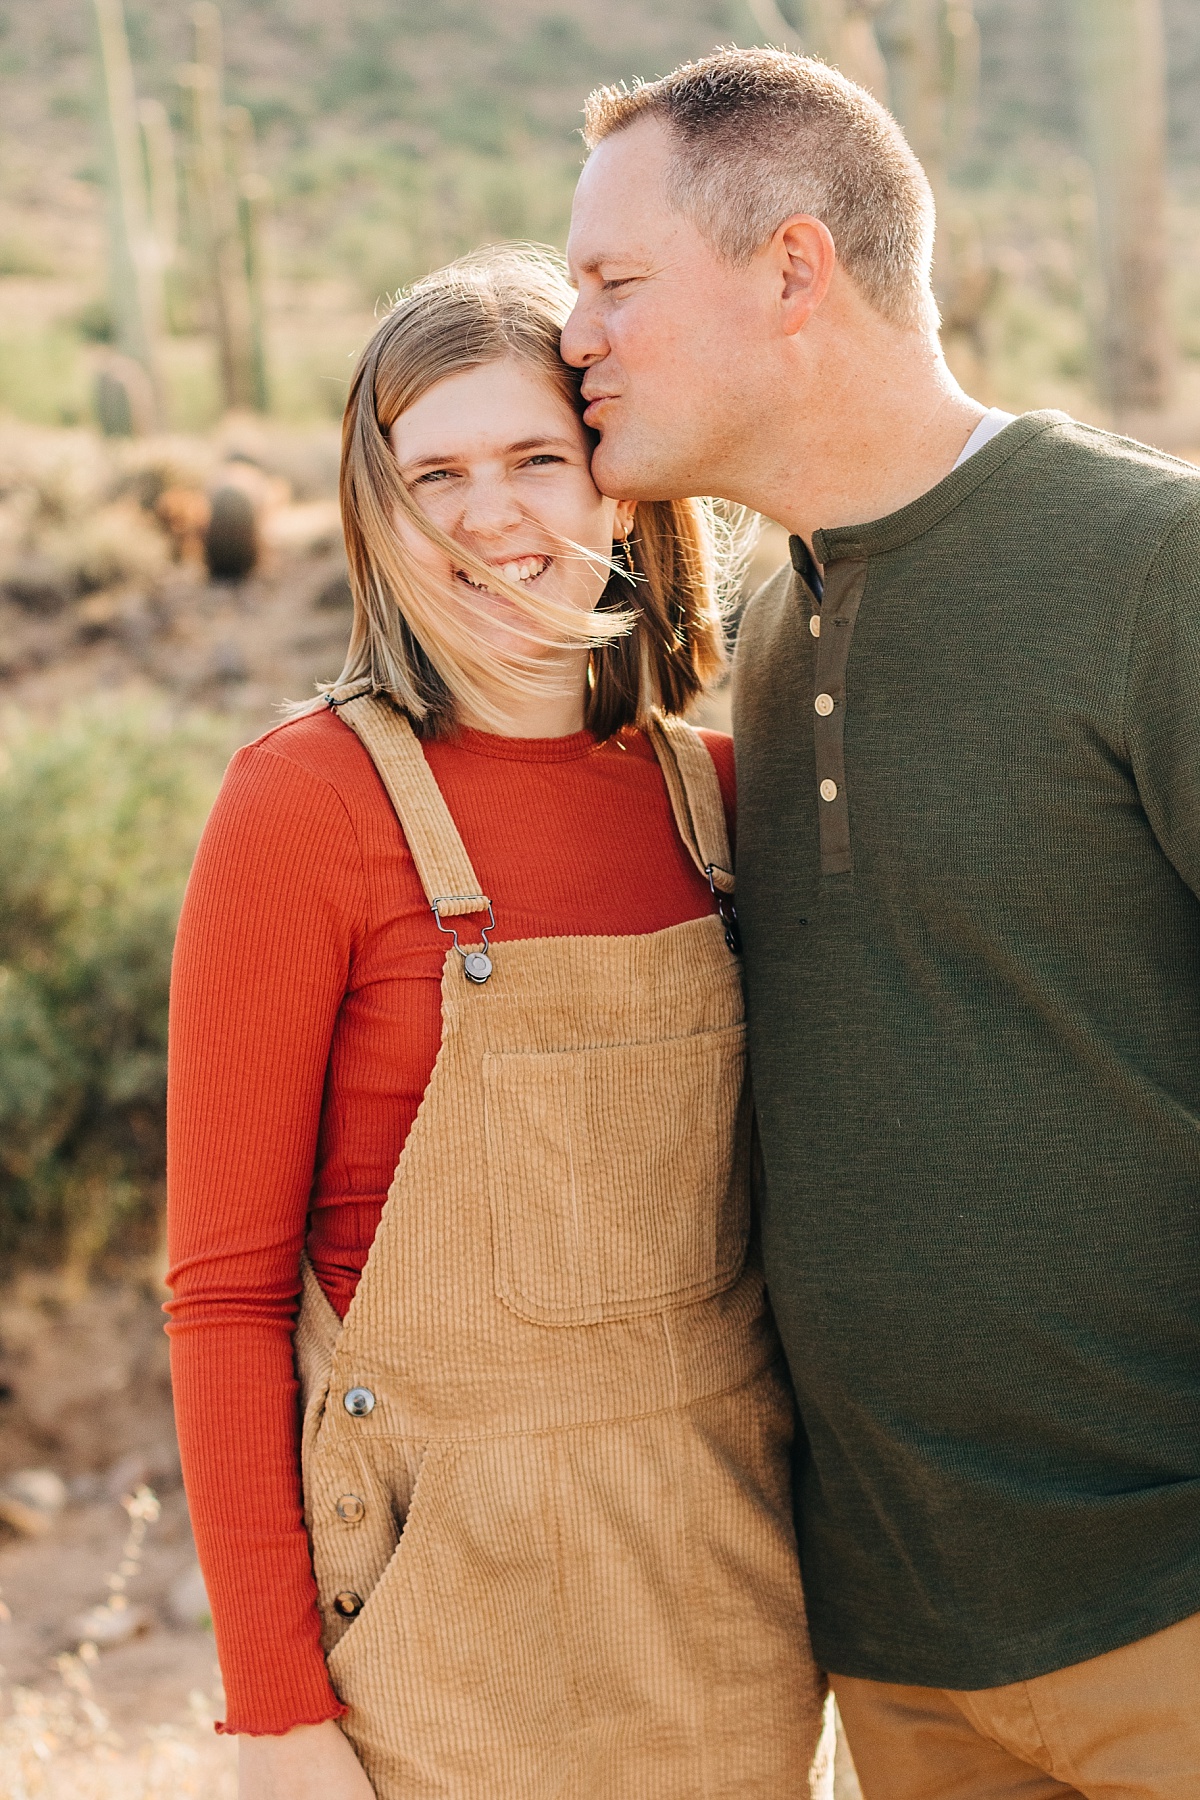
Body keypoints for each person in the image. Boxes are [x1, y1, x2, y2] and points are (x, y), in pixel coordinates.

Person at [562, 46, 1200, 1800]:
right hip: (899, 1657)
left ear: (792, 269)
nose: (576, 336)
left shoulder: (1158, 570)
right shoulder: (768, 631)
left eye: (615, 283)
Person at [166, 248, 831, 1800]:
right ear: (374, 509)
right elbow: (223, 1301)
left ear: (619, 487)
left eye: (537, 457)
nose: (488, 516)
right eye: (433, 474)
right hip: (431, 1645)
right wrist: (276, 1718)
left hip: (723, 1622)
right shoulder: (305, 806)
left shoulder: (719, 806)